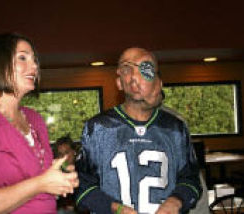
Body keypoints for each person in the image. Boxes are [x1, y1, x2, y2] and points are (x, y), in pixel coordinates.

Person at [0, 33, 79, 214]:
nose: (34, 66)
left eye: (35, 60)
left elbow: (33, 175)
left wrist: (58, 173)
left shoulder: (34, 119)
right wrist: (41, 184)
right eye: (22, 57)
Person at [75, 47, 202, 214]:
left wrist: (176, 201)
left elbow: (191, 180)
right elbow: (80, 187)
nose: (135, 77)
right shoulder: (98, 128)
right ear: (119, 82)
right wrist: (115, 209)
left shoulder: (175, 128)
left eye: (145, 69)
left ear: (158, 82)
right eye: (127, 69)